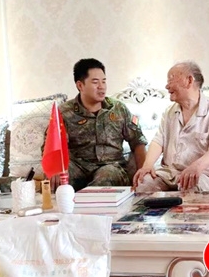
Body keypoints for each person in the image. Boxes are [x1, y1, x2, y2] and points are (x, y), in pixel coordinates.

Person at [47, 58, 148, 191]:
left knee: (106, 176)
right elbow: (52, 145)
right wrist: (56, 168)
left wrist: (143, 175)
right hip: (79, 167)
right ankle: (73, 201)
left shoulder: (118, 109)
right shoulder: (64, 112)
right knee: (60, 176)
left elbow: (138, 142)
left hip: (111, 167)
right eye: (95, 82)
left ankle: (85, 200)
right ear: (80, 85)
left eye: (104, 81)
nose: (102, 86)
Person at [133, 61, 209, 193]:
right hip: (170, 173)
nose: (167, 86)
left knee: (191, 186)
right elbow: (158, 141)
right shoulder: (169, 112)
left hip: (204, 173)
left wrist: (196, 167)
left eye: (171, 79)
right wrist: (147, 165)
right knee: (143, 184)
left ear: (189, 80)